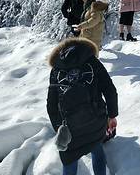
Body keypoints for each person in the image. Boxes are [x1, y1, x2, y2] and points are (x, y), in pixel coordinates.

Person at [47, 37, 118, 175]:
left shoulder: (56, 69)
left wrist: (59, 128)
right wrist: (112, 115)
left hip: (70, 128)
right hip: (96, 120)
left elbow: (51, 105)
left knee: (69, 161)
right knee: (97, 149)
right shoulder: (92, 61)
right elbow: (110, 90)